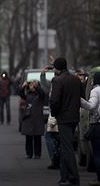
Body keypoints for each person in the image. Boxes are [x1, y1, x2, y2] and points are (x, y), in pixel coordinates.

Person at [50, 57, 83, 186]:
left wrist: (54, 113)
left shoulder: (58, 81)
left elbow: (54, 101)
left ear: (57, 68)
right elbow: (82, 97)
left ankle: (74, 178)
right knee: (65, 147)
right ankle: (64, 177)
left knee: (67, 149)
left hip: (63, 118)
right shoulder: (75, 79)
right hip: (74, 117)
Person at [80, 72, 100, 186]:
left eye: (92, 80)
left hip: (97, 125)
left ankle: (98, 179)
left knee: (97, 154)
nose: (91, 82)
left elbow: (91, 106)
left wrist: (81, 101)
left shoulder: (95, 91)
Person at [18, 80, 46, 159]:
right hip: (28, 118)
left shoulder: (40, 95)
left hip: (38, 118)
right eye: (30, 85)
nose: (32, 86)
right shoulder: (27, 95)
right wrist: (23, 86)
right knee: (28, 138)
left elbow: (42, 94)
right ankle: (28, 153)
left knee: (37, 137)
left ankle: (37, 154)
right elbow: (20, 93)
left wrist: (36, 86)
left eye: (34, 85)